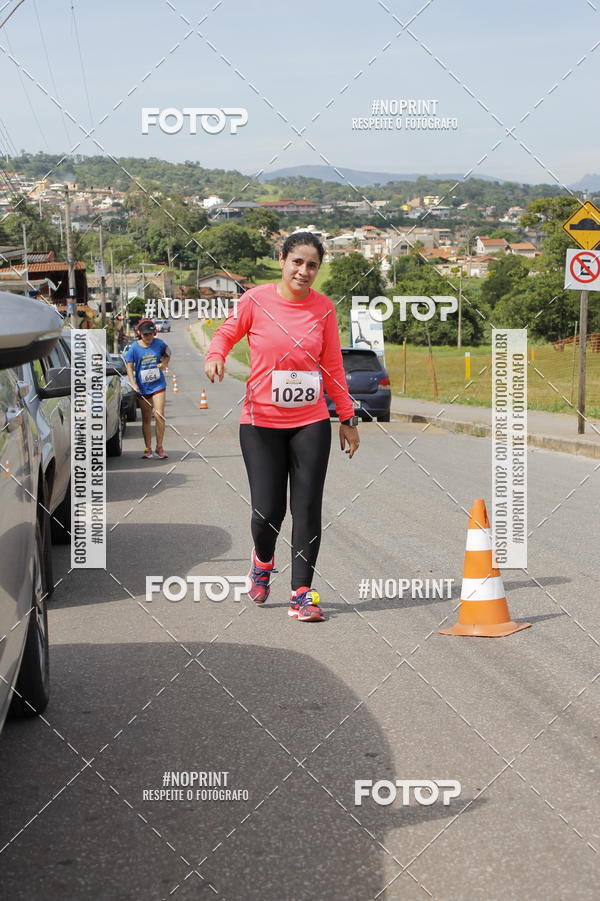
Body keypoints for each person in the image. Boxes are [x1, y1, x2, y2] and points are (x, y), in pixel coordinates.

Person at [204, 232, 359, 623]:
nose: (304, 271)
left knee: (306, 507)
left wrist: (347, 417)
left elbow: (333, 366)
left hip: (310, 421)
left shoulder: (323, 309)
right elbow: (226, 332)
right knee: (267, 512)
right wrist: (216, 353)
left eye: (312, 266)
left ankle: (302, 593)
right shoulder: (255, 299)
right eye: (297, 262)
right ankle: (262, 560)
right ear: (282, 259)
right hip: (261, 423)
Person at [124, 318, 171, 459]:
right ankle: (148, 448)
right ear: (140, 334)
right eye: (145, 335)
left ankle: (160, 447)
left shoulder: (160, 344)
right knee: (146, 418)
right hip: (142, 388)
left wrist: (164, 364)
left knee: (159, 414)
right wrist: (133, 383)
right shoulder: (134, 348)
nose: (148, 337)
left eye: (150, 334)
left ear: (154, 333)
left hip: (158, 385)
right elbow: (129, 366)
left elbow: (168, 354)